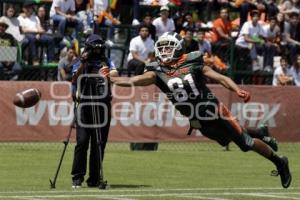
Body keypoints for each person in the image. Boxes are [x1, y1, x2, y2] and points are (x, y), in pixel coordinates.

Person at [111, 32, 292, 189]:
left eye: (169, 47)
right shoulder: (156, 71)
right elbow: (133, 81)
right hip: (196, 119)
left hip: (215, 111)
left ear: (179, 48)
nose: (165, 51)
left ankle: (279, 162)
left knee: (245, 144)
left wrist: (237, 89)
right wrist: (113, 79)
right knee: (224, 140)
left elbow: (219, 77)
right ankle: (261, 132)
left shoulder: (194, 62)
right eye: (163, 48)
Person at [71, 34, 118, 188]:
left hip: (102, 105)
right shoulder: (80, 61)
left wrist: (106, 73)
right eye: (95, 47)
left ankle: (95, 178)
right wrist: (84, 63)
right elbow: (74, 78)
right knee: (82, 141)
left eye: (100, 46)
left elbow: (115, 73)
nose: (98, 50)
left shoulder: (106, 61)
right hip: (84, 106)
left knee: (99, 143)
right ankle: (77, 177)